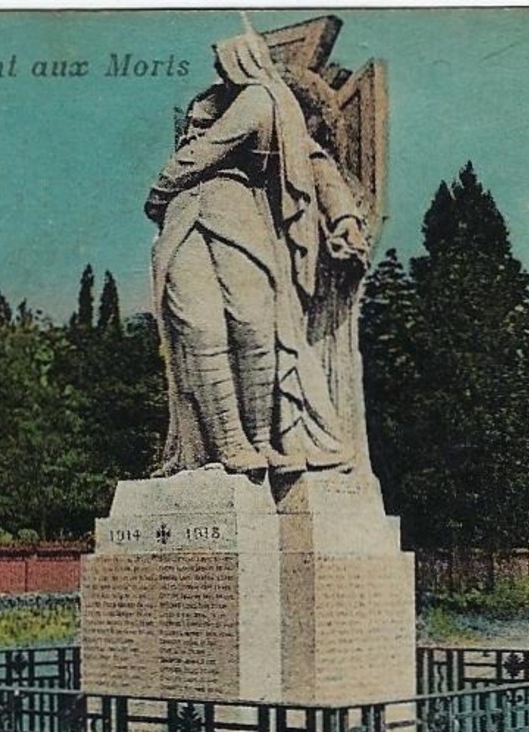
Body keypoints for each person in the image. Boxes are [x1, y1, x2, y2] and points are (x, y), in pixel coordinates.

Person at [148, 31, 370, 478]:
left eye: (224, 60)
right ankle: (230, 443)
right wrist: (163, 196)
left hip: (240, 216)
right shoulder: (224, 102)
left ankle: (263, 439)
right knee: (201, 327)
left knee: (254, 325)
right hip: (185, 220)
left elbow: (316, 164)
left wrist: (344, 216)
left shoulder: (265, 103)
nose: (219, 70)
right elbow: (194, 158)